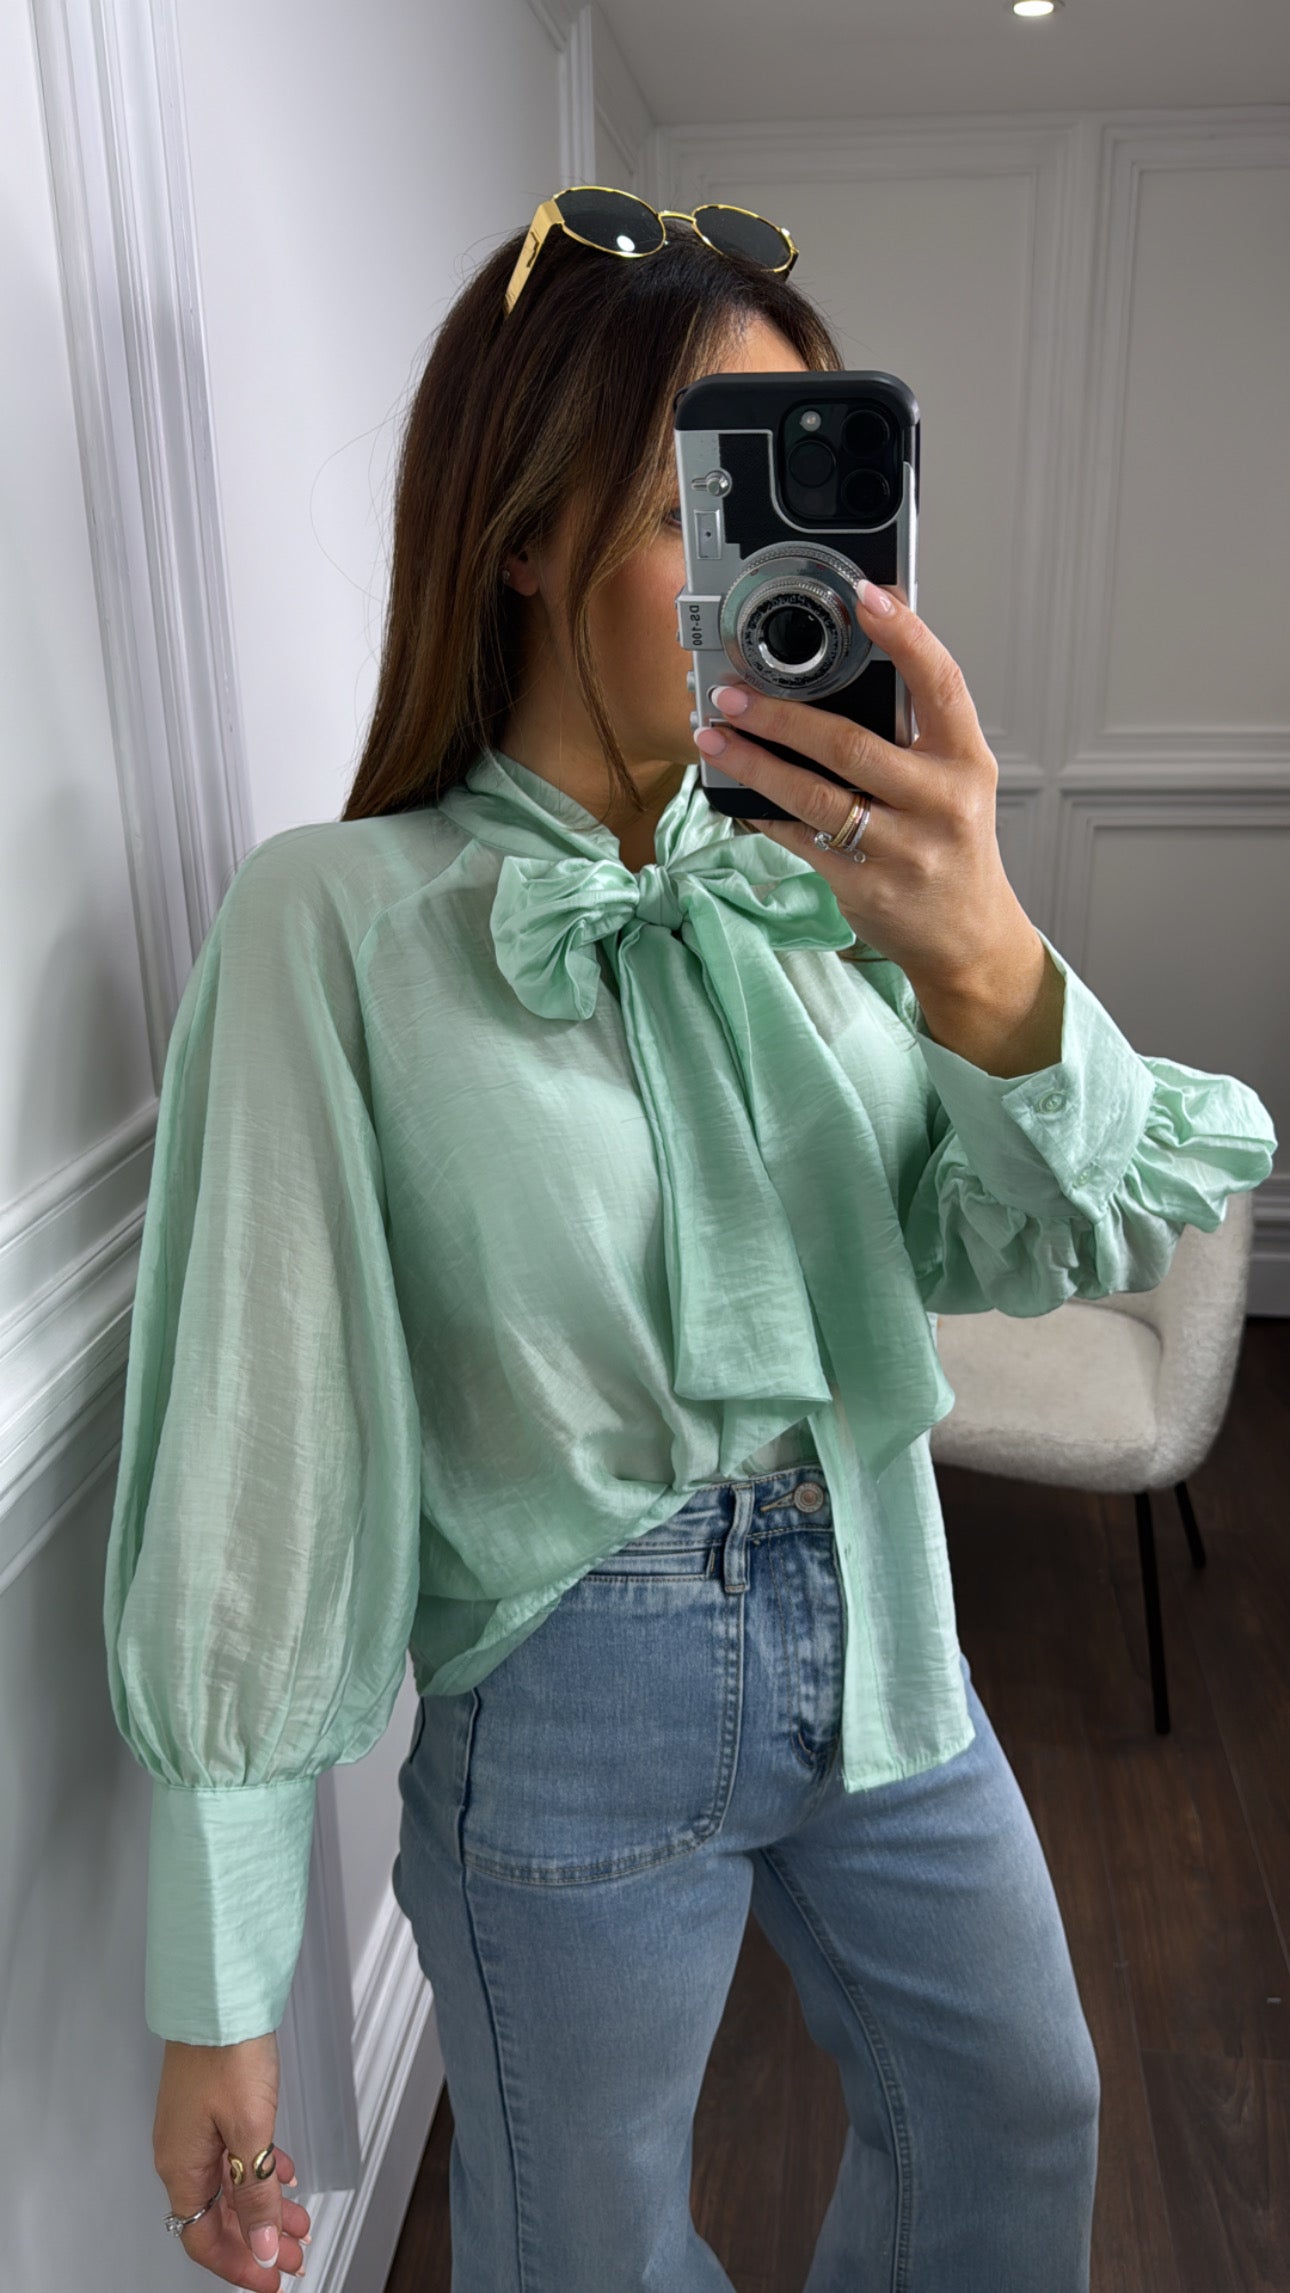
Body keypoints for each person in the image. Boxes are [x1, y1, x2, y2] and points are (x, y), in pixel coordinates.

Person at [105, 186, 1278, 2293]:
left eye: (816, 523)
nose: (780, 586)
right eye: (698, 513)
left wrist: (985, 954)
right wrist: (222, 1979)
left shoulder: (832, 898)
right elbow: (259, 1448)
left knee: (1019, 2108)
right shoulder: (336, 920)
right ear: (522, 533)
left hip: (891, 1624)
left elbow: (1035, 1241)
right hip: (572, 1689)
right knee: (592, 2252)